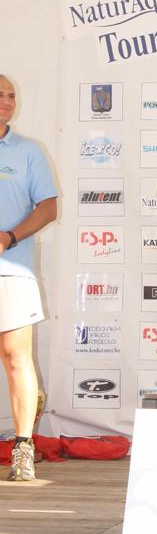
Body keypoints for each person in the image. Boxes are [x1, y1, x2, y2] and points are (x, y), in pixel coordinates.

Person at [0, 75, 57, 481]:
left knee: (15, 355)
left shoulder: (28, 151)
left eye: (11, 95)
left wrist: (9, 236)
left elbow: (48, 208)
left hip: (12, 268)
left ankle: (23, 447)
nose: (7, 101)